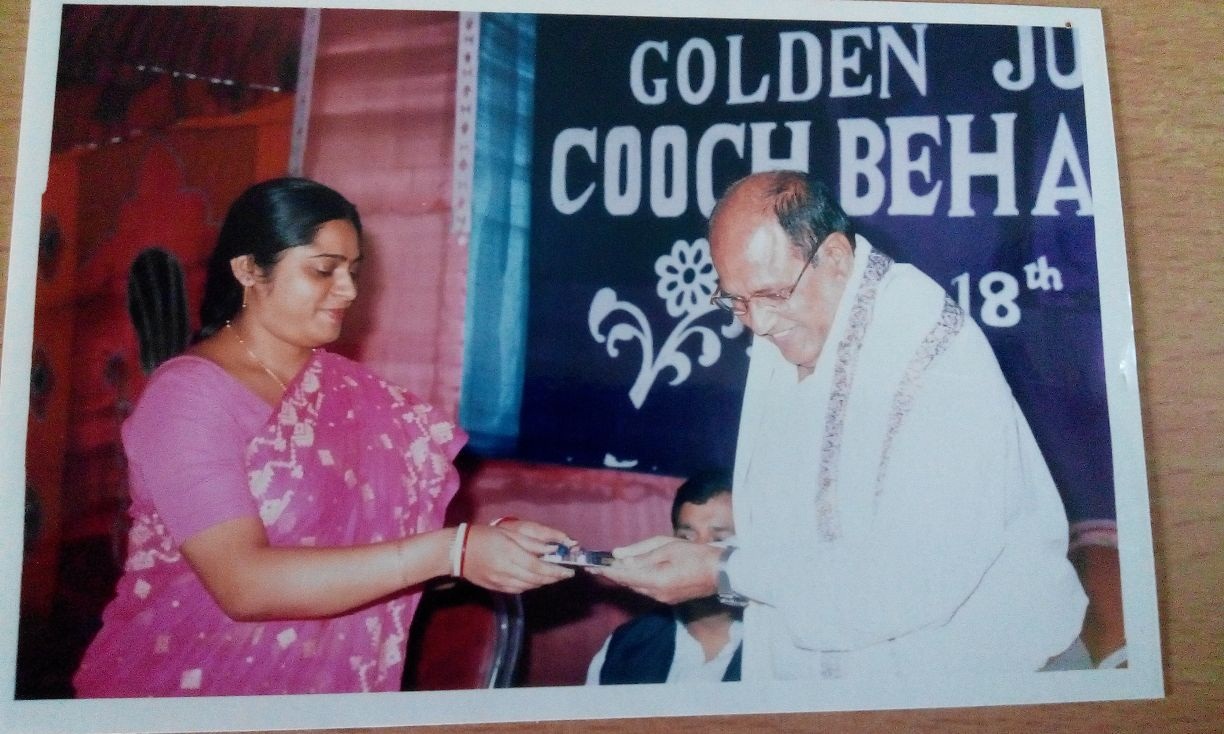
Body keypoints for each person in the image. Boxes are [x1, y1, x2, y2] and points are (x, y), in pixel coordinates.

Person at [73, 177, 574, 697]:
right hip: (185, 697)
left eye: (353, 271)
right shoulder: (187, 398)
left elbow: (387, 559)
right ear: (248, 270)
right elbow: (243, 584)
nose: (349, 290)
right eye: (323, 269)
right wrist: (453, 550)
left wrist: (492, 549)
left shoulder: (353, 394)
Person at [599, 170, 1087, 681]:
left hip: (995, 684)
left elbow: (916, 577)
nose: (757, 324)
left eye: (772, 295)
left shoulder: (930, 349)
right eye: (736, 301)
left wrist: (720, 571)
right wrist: (703, 559)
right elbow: (790, 536)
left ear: (834, 257)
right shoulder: (789, 320)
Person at [585, 470, 743, 685]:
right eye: (686, 538)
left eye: (718, 541)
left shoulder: (779, 646)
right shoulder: (625, 645)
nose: (694, 554)